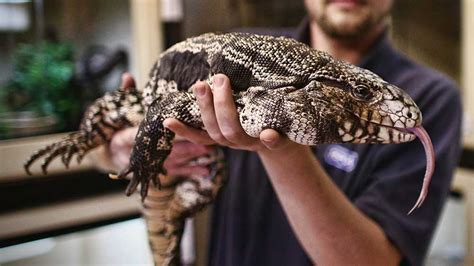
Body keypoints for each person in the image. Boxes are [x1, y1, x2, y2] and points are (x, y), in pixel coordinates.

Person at [106, 0, 462, 265]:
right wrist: (120, 149)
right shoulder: (240, 52)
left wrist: (281, 147)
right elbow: (127, 138)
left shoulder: (433, 98)